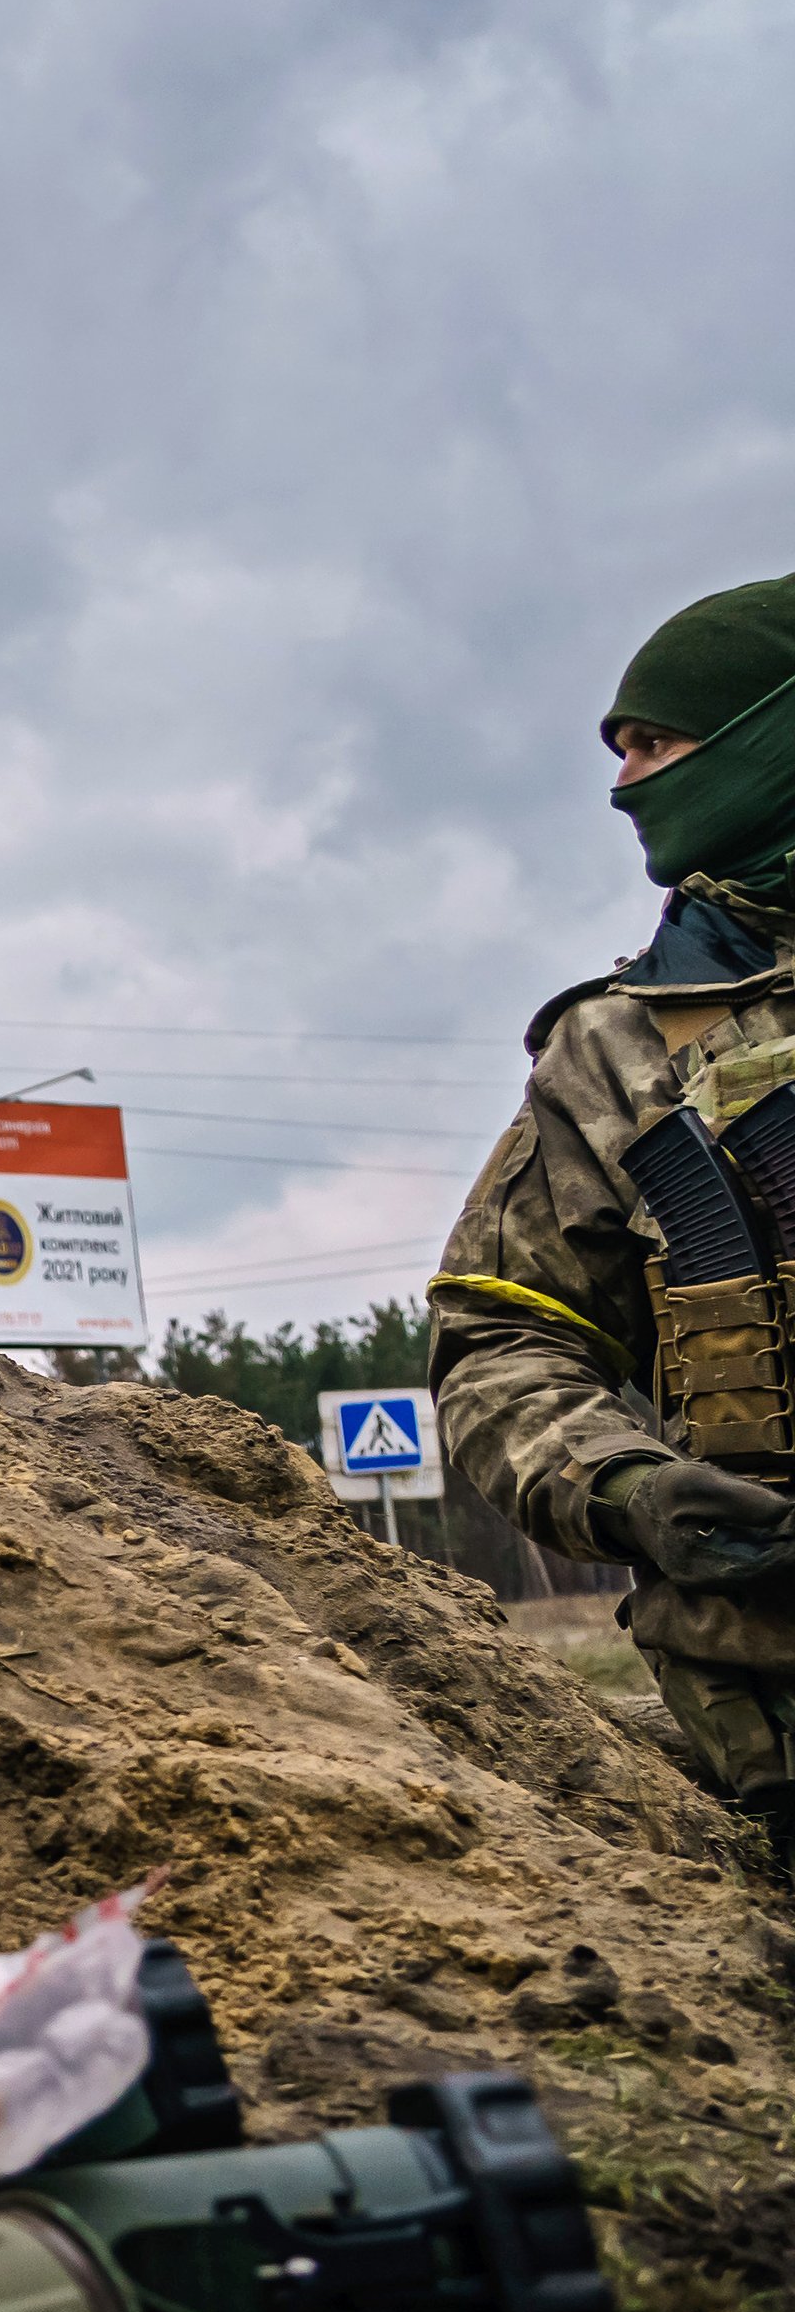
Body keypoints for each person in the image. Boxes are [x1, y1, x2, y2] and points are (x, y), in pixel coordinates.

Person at [434, 574, 795, 1857]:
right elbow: (501, 1342)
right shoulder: (619, 1048)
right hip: (770, 1721)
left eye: (658, 741)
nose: (627, 782)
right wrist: (626, 1484)